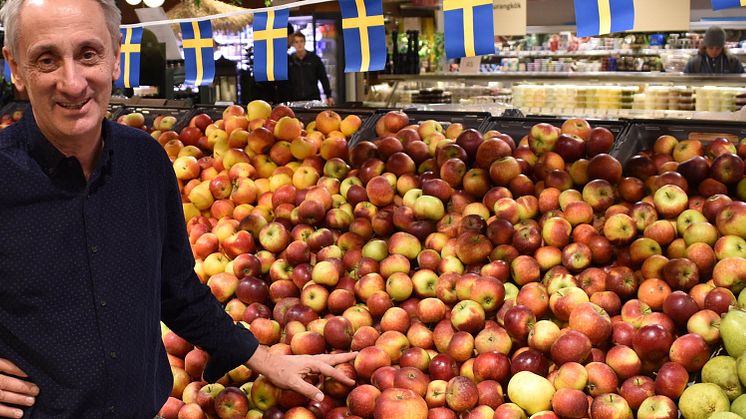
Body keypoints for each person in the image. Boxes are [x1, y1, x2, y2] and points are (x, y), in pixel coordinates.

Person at [0, 1, 355, 417]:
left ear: (116, 56)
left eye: (88, 54)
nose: (73, 82)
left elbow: (177, 290)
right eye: (46, 59)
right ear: (16, 70)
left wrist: (264, 359)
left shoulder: (145, 162)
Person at [287, 31, 334, 105]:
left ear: (305, 42)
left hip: (313, 98)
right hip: (294, 99)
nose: (299, 44)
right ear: (293, 44)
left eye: (301, 41)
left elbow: (323, 78)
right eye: (296, 42)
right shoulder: (289, 60)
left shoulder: (314, 59)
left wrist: (328, 95)